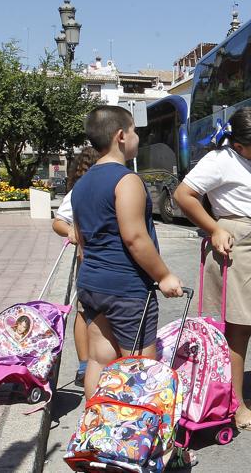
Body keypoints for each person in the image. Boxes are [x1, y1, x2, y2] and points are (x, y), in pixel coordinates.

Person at [173, 107, 251, 432]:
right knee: (235, 330)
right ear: (239, 145)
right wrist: (214, 229)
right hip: (239, 246)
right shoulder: (220, 160)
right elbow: (184, 194)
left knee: (243, 328)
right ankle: (234, 407)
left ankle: (231, 398)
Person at [73, 105, 183, 399]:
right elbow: (135, 237)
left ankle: (95, 427)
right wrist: (164, 276)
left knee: (99, 359)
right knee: (139, 366)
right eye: (135, 131)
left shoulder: (82, 183)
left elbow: (80, 238)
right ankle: (138, 438)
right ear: (121, 136)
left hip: (91, 284)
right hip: (127, 289)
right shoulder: (127, 180)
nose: (137, 138)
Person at [52, 146, 103, 386]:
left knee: (88, 312)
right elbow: (59, 222)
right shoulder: (79, 193)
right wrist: (71, 230)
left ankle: (89, 363)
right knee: (85, 311)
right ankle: (85, 365)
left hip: (93, 259)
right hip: (89, 259)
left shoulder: (80, 190)